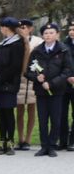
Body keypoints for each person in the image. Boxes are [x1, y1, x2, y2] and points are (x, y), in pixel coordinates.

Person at [25, 23, 72, 157]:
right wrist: (36, 77)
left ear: (57, 34)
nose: (48, 35)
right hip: (40, 91)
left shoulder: (63, 50)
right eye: (46, 33)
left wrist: (51, 83)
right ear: (42, 35)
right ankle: (44, 146)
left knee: (55, 119)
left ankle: (52, 145)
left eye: (51, 33)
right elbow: (28, 71)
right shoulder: (37, 51)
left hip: (57, 91)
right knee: (43, 119)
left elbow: (67, 71)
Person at [0, 18, 25, 156]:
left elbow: (14, 67)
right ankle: (2, 141)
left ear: (6, 28)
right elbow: (0, 63)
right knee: (1, 113)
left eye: (2, 27)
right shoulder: (4, 43)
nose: (1, 29)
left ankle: (10, 142)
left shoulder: (17, 44)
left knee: (8, 113)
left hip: (8, 84)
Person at [15, 19, 43, 150]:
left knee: (32, 109)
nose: (22, 29)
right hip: (19, 79)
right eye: (20, 27)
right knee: (19, 110)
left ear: (31, 28)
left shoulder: (38, 42)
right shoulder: (15, 41)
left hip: (33, 78)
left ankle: (28, 139)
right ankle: (20, 138)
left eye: (24, 27)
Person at [62, 23, 74, 151]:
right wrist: (68, 76)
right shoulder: (64, 45)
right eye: (70, 29)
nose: (71, 32)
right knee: (62, 113)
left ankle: (72, 141)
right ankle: (63, 140)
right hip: (64, 83)